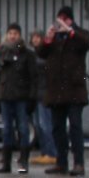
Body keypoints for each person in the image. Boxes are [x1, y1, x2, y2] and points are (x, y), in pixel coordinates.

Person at [36, 6, 89, 177]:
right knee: (57, 128)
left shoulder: (79, 35)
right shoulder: (54, 39)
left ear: (70, 20)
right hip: (56, 92)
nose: (61, 23)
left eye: (64, 19)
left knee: (75, 127)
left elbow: (87, 43)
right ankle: (61, 162)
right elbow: (40, 52)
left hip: (75, 91)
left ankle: (79, 163)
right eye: (59, 19)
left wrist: (70, 31)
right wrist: (48, 38)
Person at [0, 23, 35, 175]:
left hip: (21, 97)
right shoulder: (1, 52)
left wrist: (32, 98)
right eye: (10, 33)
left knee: (23, 129)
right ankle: (6, 163)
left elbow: (33, 77)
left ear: (20, 35)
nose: (12, 36)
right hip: (5, 97)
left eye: (15, 33)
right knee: (6, 130)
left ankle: (23, 162)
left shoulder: (27, 54)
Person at [28, 30, 56, 166]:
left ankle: (52, 153)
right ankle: (44, 152)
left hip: (45, 94)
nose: (35, 39)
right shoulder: (32, 54)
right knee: (38, 125)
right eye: (33, 37)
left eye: (38, 37)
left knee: (46, 125)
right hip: (36, 94)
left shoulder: (46, 55)